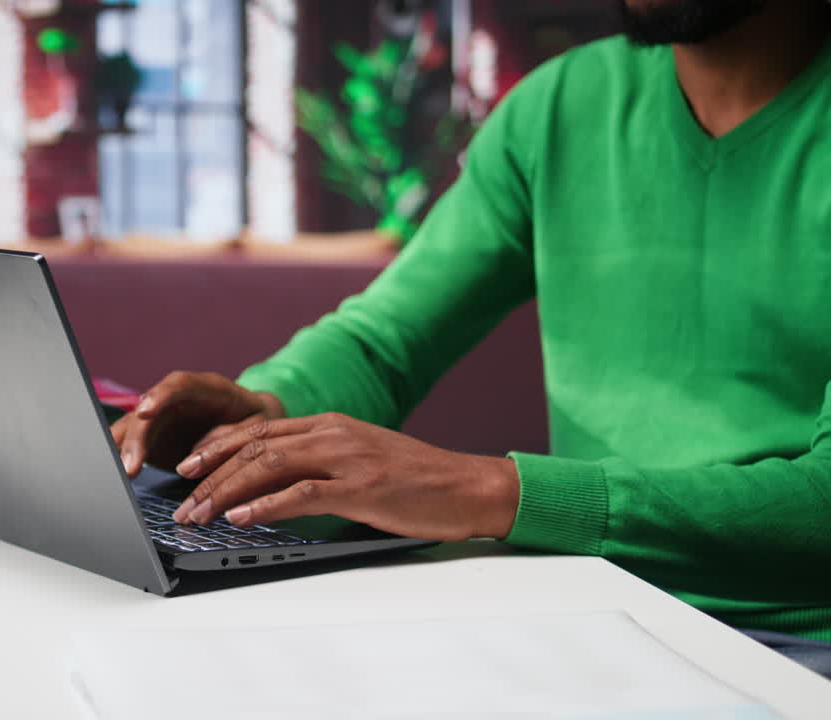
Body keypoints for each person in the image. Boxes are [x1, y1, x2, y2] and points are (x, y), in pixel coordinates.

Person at [110, 0, 831, 671]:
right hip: (587, 606)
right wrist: (266, 414)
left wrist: (492, 490)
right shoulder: (562, 106)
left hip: (794, 636)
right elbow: (385, 337)